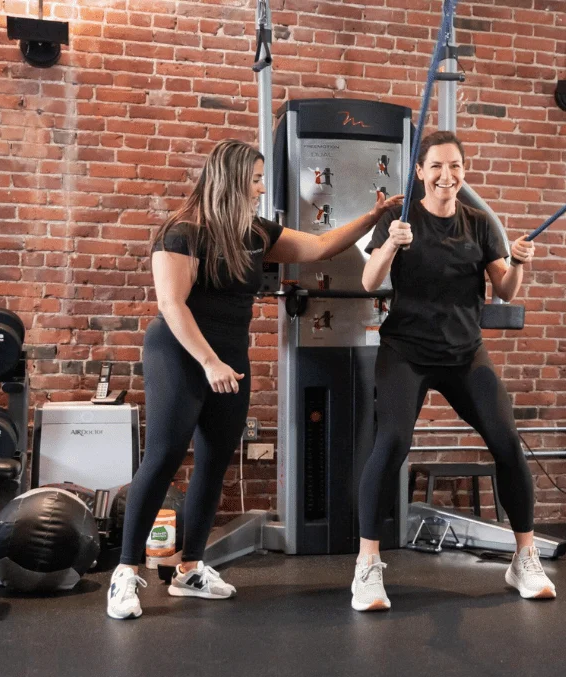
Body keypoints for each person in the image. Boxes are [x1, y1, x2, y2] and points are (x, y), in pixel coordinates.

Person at [108, 139, 403, 620]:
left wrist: (373, 218)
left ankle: (190, 568)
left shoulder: (254, 233)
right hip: (181, 352)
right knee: (162, 457)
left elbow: (319, 247)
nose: (262, 188)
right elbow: (171, 304)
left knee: (214, 462)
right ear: (231, 181)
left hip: (229, 356)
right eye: (256, 180)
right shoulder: (182, 232)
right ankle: (124, 572)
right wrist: (209, 363)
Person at [351, 130, 556, 612]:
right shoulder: (400, 219)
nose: (447, 175)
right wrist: (390, 247)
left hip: (465, 353)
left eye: (456, 166)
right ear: (420, 172)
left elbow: (504, 290)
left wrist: (518, 262)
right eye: (437, 166)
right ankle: (367, 565)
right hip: (406, 351)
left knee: (507, 441)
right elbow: (368, 281)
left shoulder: (480, 224)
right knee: (392, 443)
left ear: (464, 171)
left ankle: (524, 558)